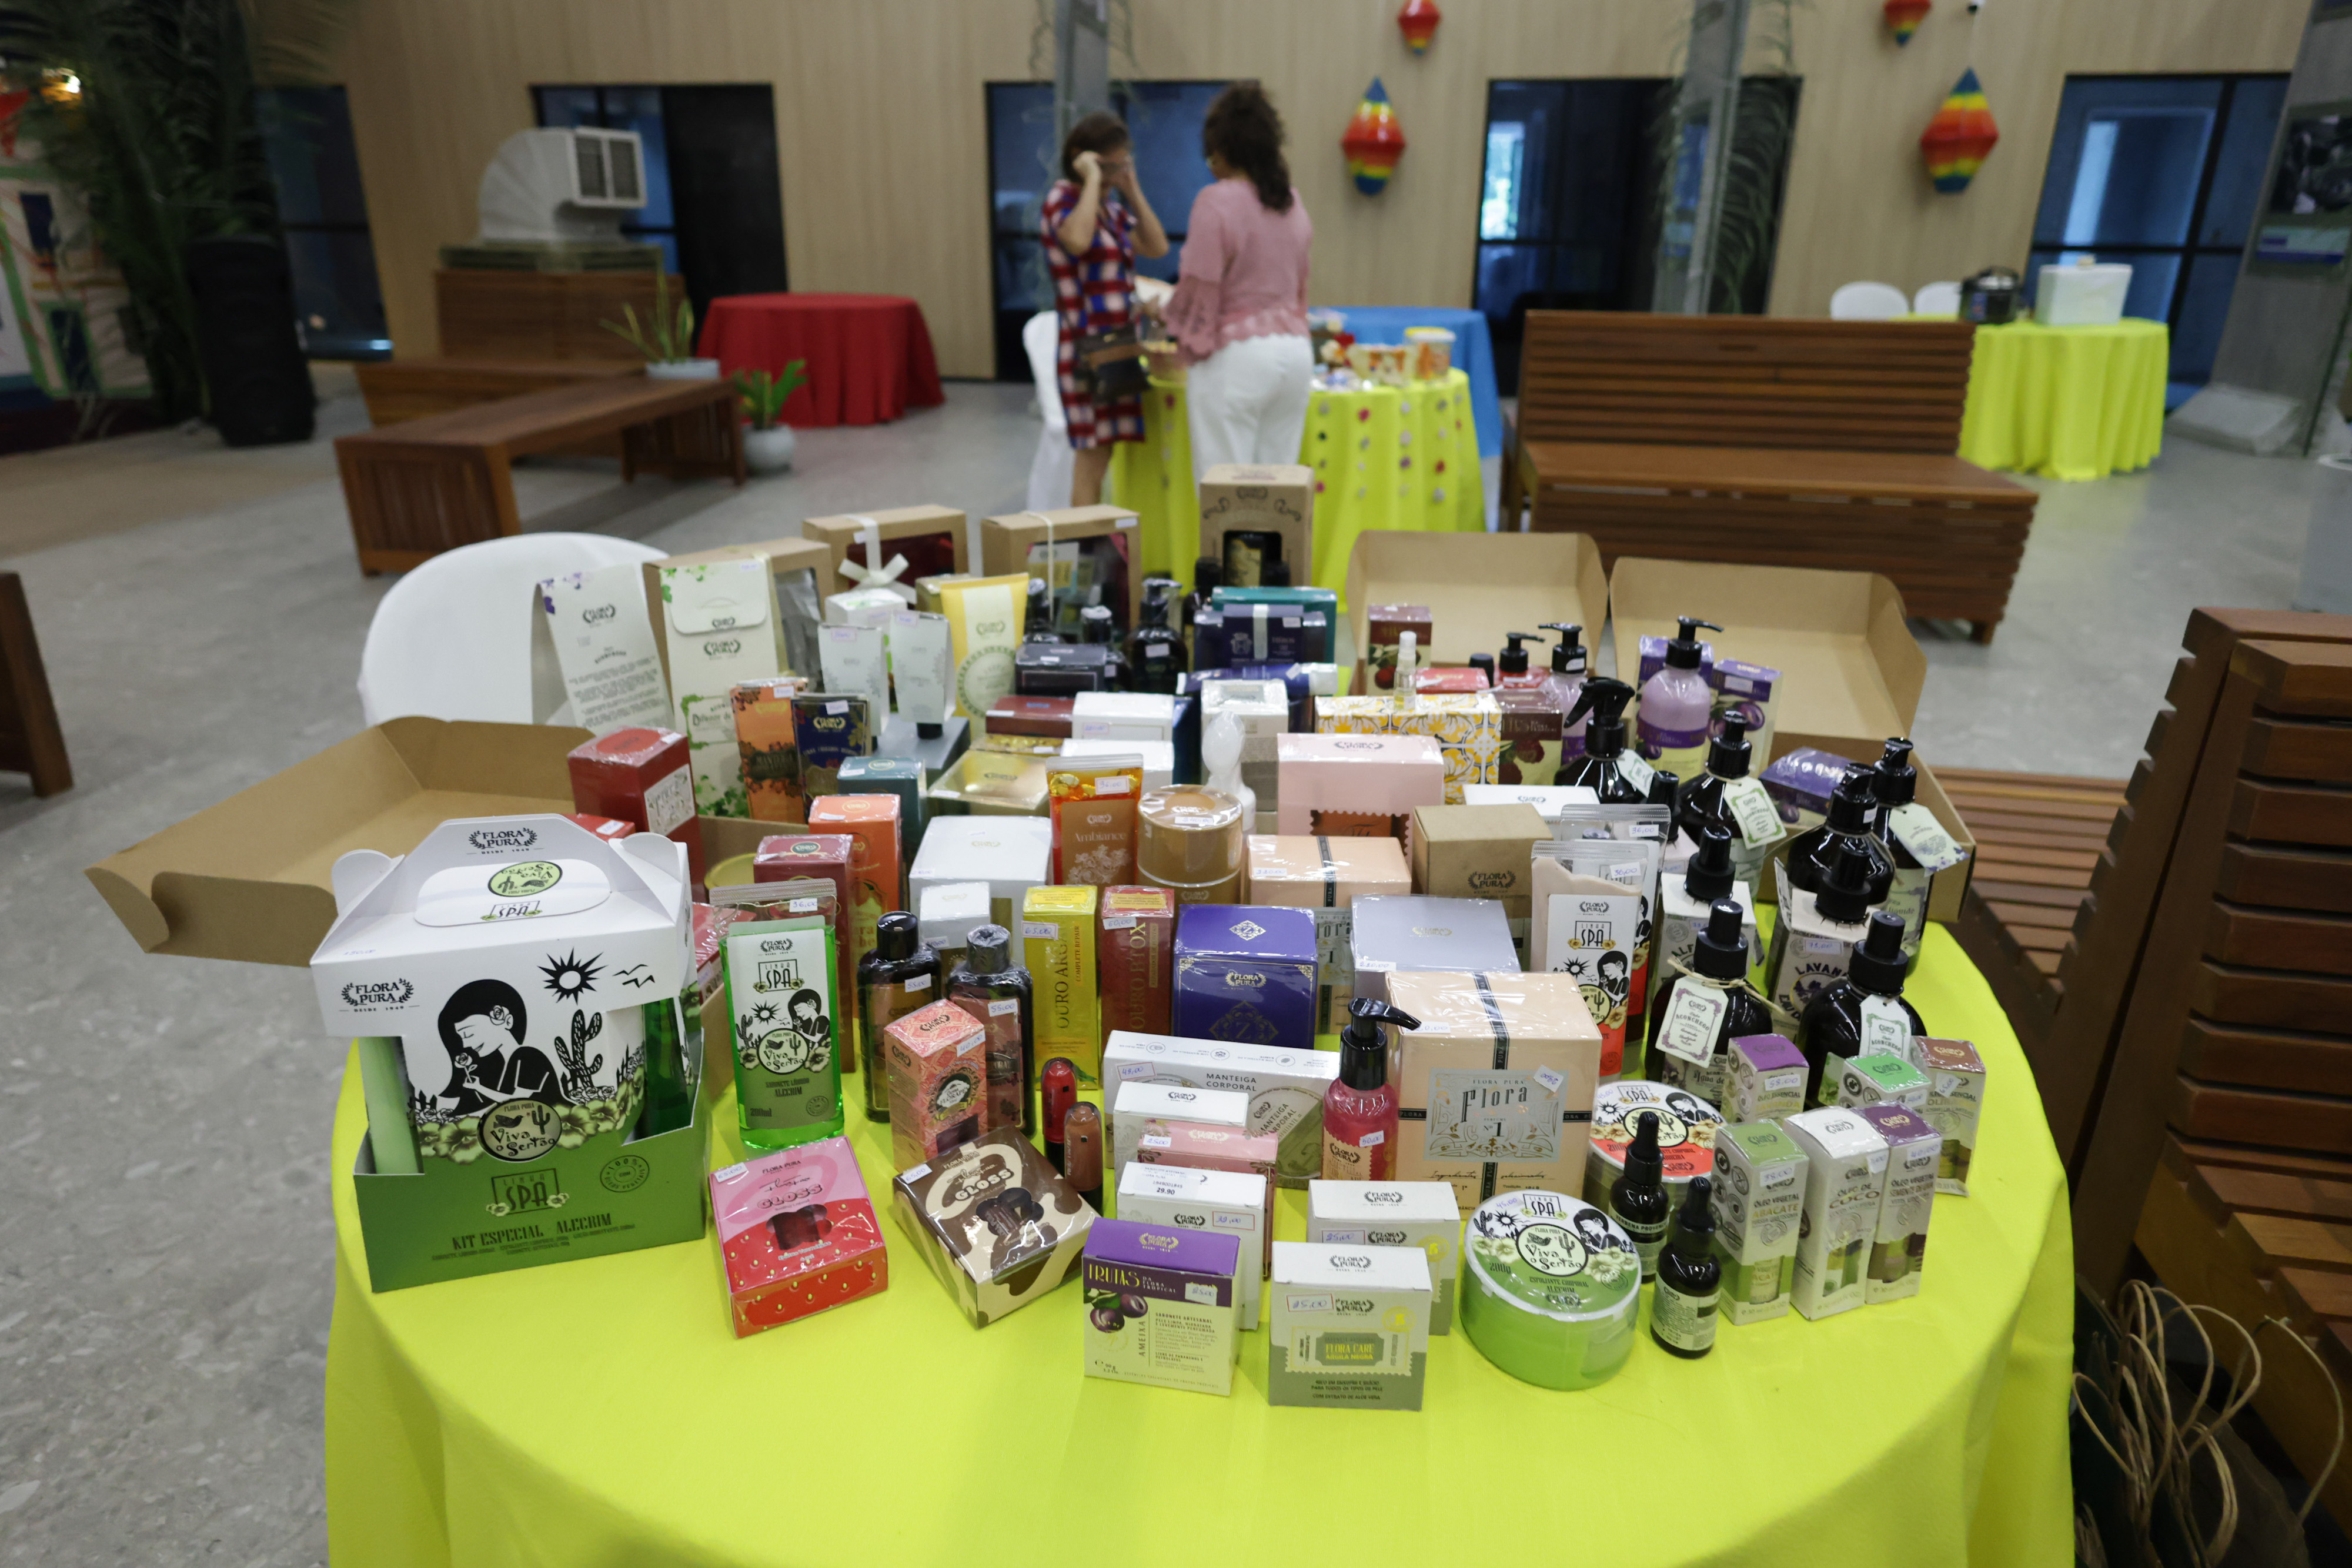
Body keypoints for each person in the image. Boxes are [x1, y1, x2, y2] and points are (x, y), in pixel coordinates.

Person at [1165, 82, 1314, 477]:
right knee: (1280, 491)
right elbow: (1300, 285)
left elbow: (1199, 286)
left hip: (1238, 358)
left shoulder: (1216, 201)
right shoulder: (1291, 202)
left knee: (1225, 493)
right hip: (1296, 355)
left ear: (1223, 149)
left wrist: (1172, 320)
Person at [1042, 112, 1169, 506]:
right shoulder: (1062, 200)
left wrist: (1133, 189)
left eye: (1120, 164)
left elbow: (1157, 246)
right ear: (1083, 158)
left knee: (1106, 454)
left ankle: (1097, 538)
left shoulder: (1111, 211)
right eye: (1108, 165)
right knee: (1092, 458)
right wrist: (1093, 180)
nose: (1115, 174)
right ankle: (1085, 543)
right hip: (1085, 351)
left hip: (1119, 349)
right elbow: (1078, 241)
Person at [435, 979, 560, 1111]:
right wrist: (477, 1087)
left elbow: (519, 1102)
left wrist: (479, 1088)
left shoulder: (528, 1056)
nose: (466, 1045)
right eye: (462, 1038)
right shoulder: (508, 1065)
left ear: (503, 1019)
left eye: (469, 1034)